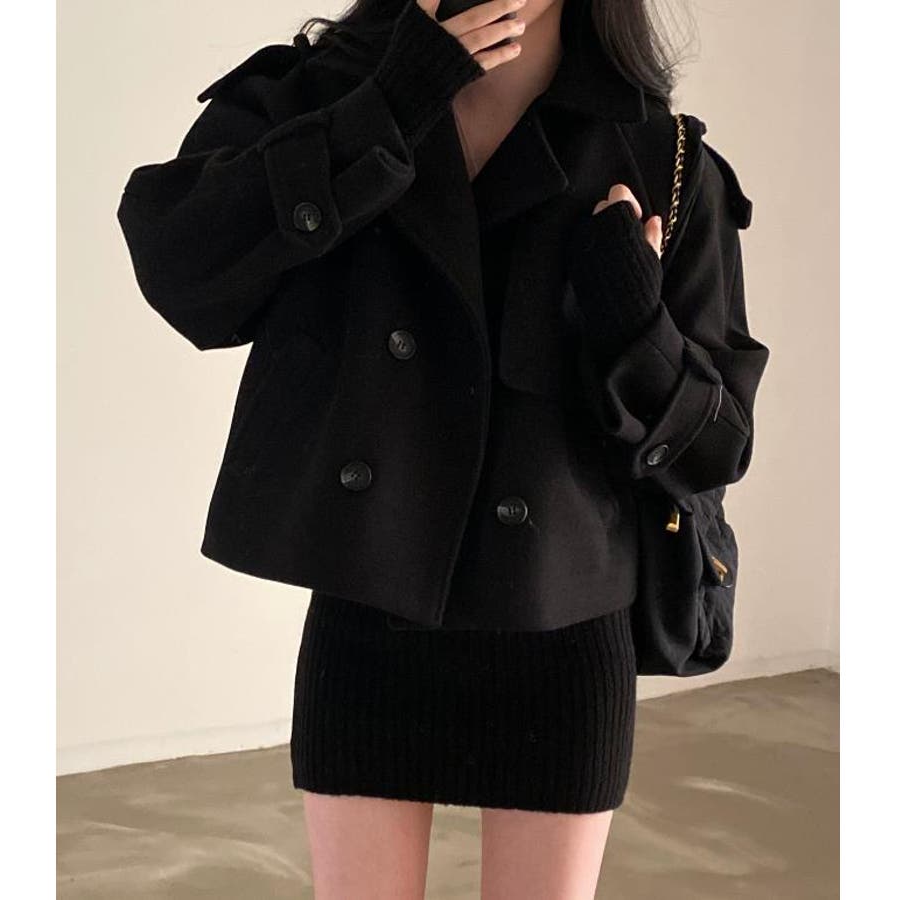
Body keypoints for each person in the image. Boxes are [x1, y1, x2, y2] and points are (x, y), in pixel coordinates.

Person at [116, 0, 769, 896]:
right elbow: (179, 262)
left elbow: (716, 449)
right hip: (369, 614)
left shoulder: (662, 156)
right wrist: (390, 102)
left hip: (563, 632)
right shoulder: (325, 97)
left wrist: (633, 323)